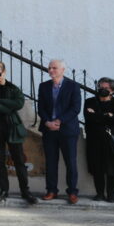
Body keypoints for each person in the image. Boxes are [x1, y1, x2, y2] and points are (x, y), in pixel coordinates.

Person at [0, 62, 35, 203]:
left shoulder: (13, 88)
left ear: (4, 72)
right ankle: (3, 191)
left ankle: (25, 191)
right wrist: (8, 107)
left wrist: (0, 102)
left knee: (19, 161)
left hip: (12, 128)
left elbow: (19, 103)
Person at [38, 59, 81, 204]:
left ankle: (72, 192)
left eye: (54, 68)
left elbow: (75, 108)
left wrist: (59, 121)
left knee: (71, 162)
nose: (51, 70)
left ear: (63, 70)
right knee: (50, 162)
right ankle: (51, 190)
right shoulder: (43, 86)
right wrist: (47, 122)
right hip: (49, 130)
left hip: (67, 130)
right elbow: (41, 107)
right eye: (49, 68)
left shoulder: (73, 86)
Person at [85, 77, 114, 202]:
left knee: (113, 168)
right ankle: (99, 194)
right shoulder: (90, 101)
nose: (102, 89)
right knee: (97, 167)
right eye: (100, 87)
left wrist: (96, 114)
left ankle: (111, 195)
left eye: (106, 88)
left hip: (112, 139)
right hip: (95, 139)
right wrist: (107, 115)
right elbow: (89, 119)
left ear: (113, 90)